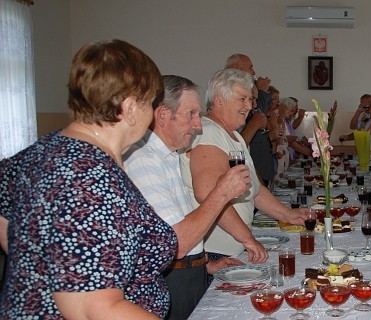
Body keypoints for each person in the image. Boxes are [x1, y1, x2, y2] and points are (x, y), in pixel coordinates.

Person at [0, 39, 174, 318]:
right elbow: (95, 309)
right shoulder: (88, 177)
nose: (152, 114)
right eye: (151, 103)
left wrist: (40, 268)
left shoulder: (44, 150)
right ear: (130, 108)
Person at [124, 75, 249, 320]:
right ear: (162, 115)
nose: (198, 125)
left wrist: (204, 265)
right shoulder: (144, 161)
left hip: (189, 273)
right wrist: (222, 192)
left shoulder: (168, 156)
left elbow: (170, 227)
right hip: (170, 286)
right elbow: (177, 242)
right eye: (190, 114)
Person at [181, 68, 308, 265]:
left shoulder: (235, 136)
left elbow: (255, 190)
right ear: (219, 100)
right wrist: (247, 238)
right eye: (242, 99)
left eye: (251, 99)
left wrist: (287, 214)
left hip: (232, 249)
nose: (249, 106)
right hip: (215, 252)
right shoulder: (208, 132)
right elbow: (208, 193)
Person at [226, 53, 276, 186]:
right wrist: (263, 93)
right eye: (250, 67)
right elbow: (236, 147)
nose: (254, 72)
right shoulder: (216, 127)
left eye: (252, 100)